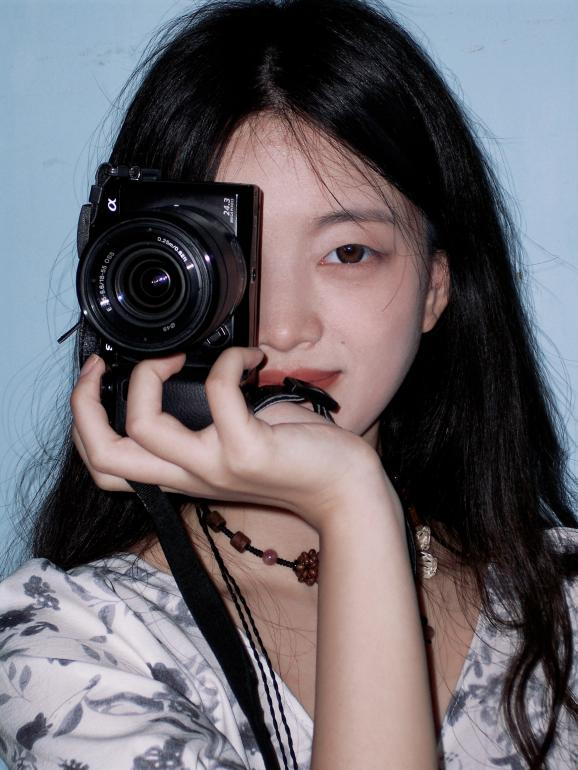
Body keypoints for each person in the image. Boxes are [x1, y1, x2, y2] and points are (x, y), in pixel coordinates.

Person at [0, 0, 577, 768]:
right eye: (233, 257)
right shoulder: (76, 647)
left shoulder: (564, 609)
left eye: (348, 253)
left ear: (436, 289)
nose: (282, 325)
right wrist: (352, 503)